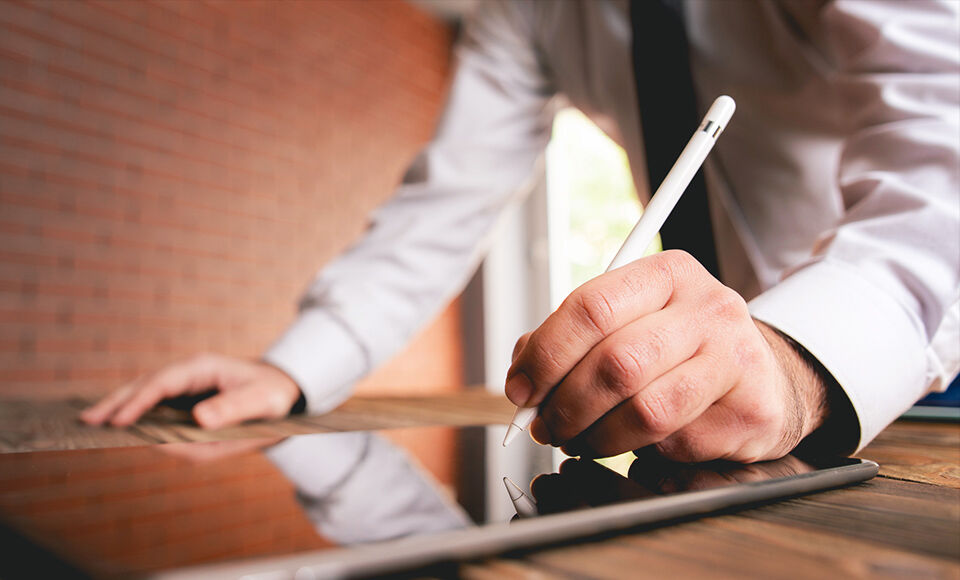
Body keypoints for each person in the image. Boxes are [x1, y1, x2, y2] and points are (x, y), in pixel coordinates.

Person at [81, 0, 960, 463]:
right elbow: (445, 197)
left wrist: (803, 358)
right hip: (712, 415)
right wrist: (295, 365)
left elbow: (946, 155)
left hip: (910, 362)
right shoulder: (529, 8)